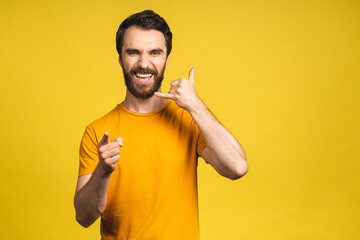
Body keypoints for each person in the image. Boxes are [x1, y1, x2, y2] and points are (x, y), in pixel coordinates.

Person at [74, 9, 248, 240]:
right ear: (120, 59)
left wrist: (195, 105)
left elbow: (237, 167)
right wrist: (102, 172)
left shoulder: (187, 119)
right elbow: (84, 217)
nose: (144, 63)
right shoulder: (97, 131)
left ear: (166, 58)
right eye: (133, 52)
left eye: (155, 52)